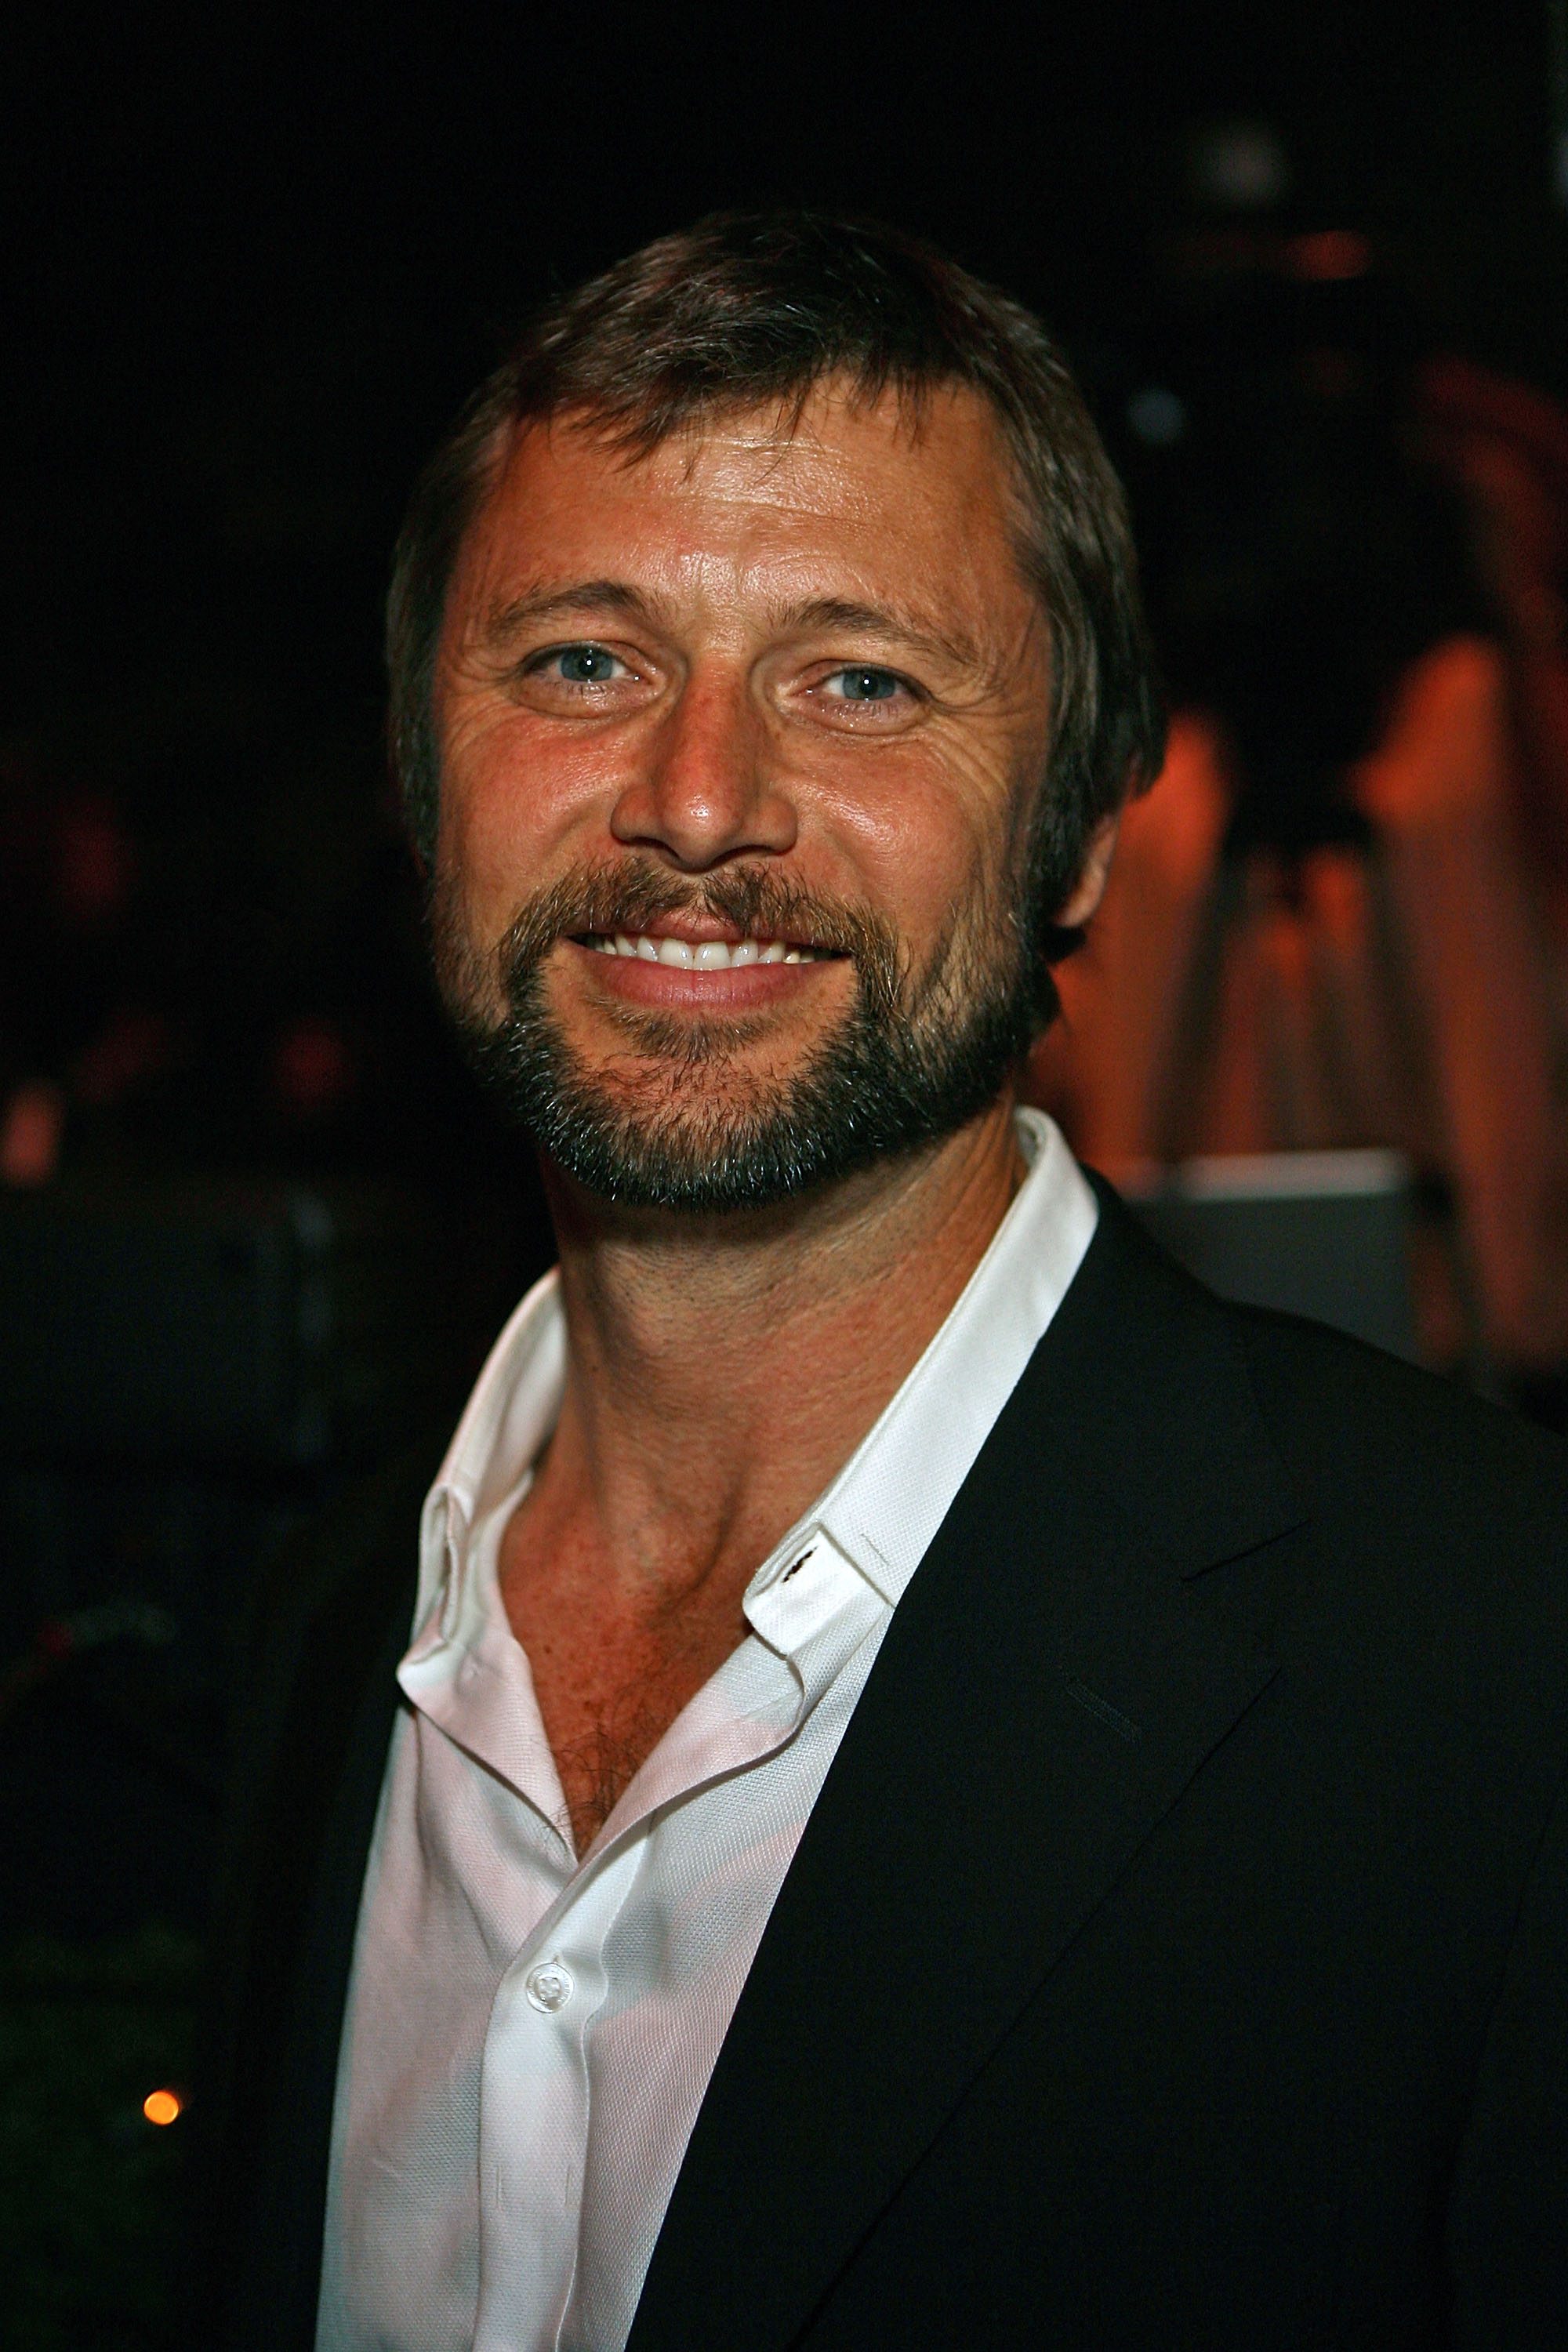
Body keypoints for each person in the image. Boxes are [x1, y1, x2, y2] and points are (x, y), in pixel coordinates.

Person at [191, 213, 1568, 2351]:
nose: (702, 800)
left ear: (1086, 831)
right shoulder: (310, 1634)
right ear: (419, 770)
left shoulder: (1492, 1668)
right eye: (584, 659)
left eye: (859, 678)